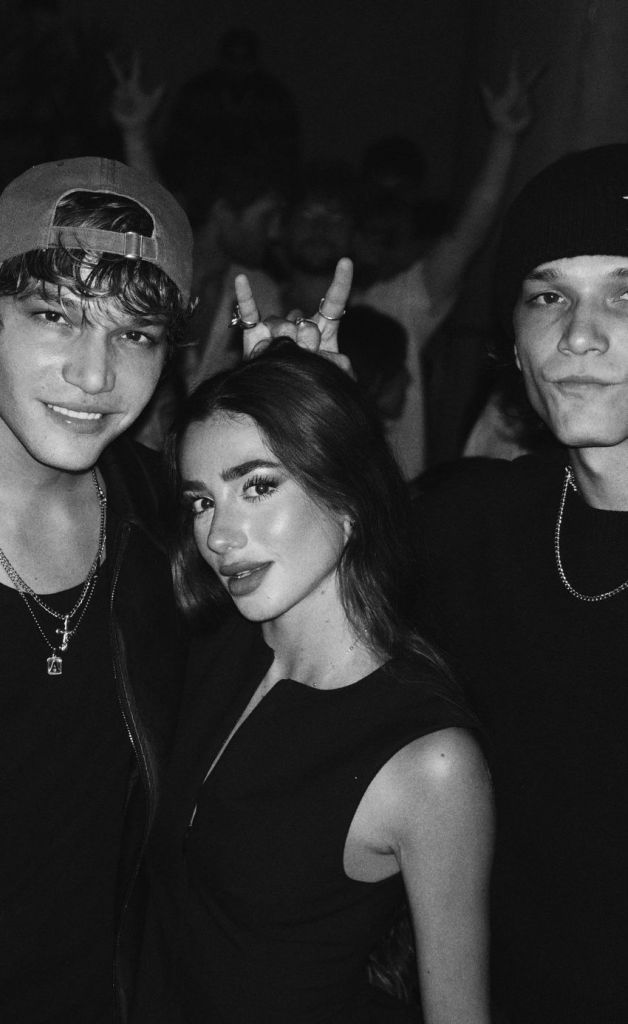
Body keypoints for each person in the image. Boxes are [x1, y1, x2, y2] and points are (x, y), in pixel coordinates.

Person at [134, 324, 494, 1022]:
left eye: (257, 487)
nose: (219, 536)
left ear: (349, 491)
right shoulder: (213, 648)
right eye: (202, 501)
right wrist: (287, 394)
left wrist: (319, 410)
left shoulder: (430, 760)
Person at [412, 143, 628, 1023]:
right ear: (511, 335)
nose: (579, 335)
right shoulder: (466, 526)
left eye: (625, 294)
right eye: (548, 296)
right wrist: (299, 422)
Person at [0, 155, 193, 1022]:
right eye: (55, 315)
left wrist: (297, 435)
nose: (94, 373)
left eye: (136, 334)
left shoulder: (169, 524)